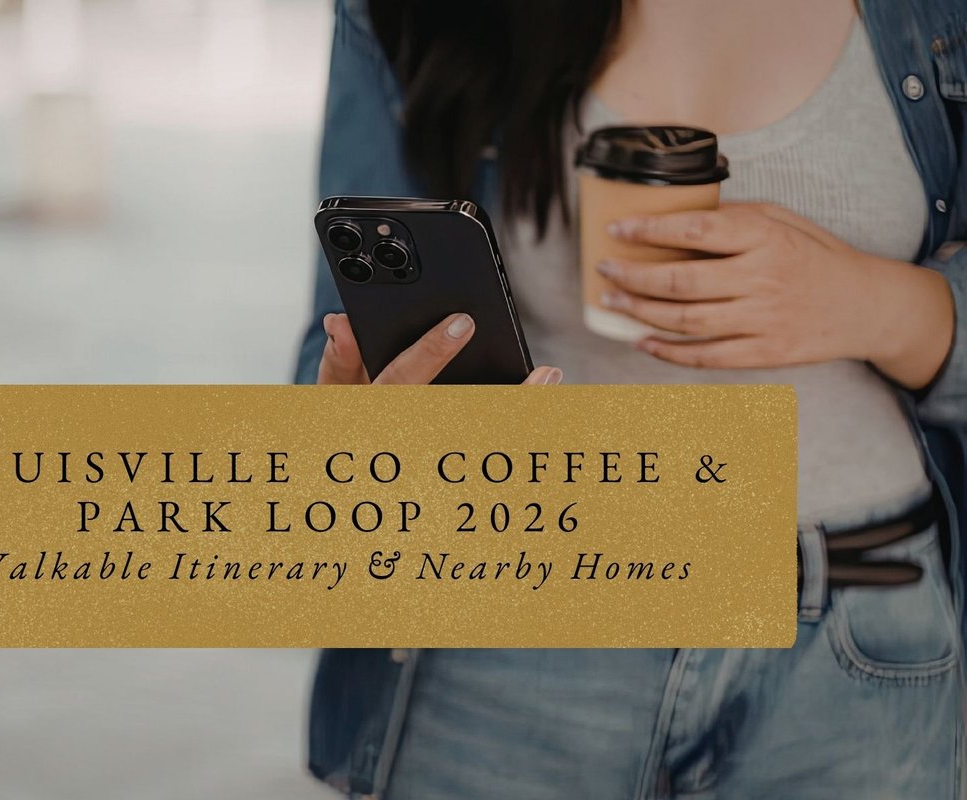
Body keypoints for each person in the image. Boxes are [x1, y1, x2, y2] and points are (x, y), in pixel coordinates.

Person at [295, 0, 967, 797]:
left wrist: (879, 305)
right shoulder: (420, 14)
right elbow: (336, 352)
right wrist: (357, 429)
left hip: (856, 644)